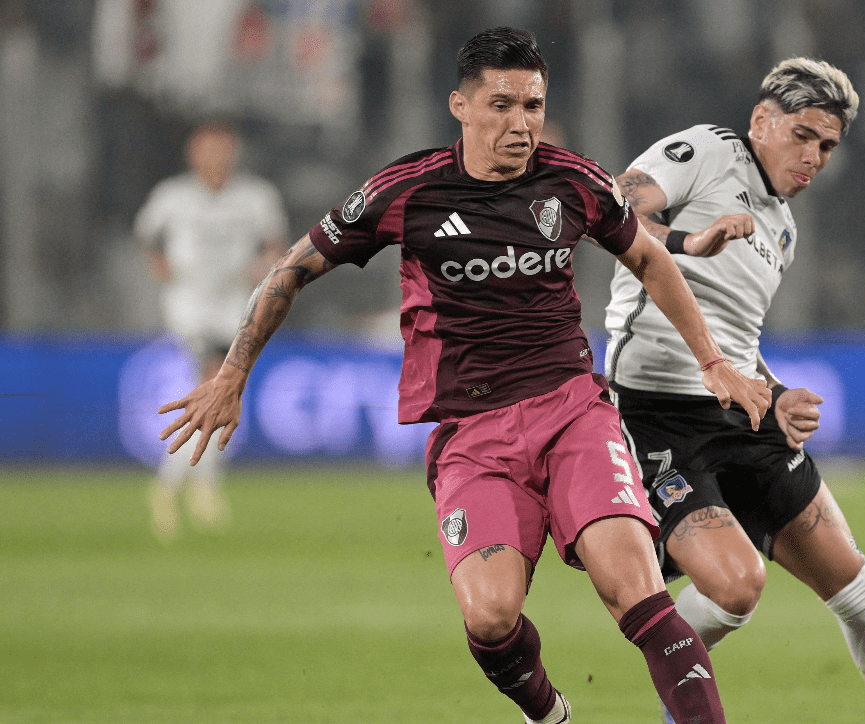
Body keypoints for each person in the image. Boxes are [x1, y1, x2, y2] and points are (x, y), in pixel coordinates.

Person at [158, 27, 770, 724]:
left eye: (533, 105)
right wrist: (233, 373)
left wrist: (713, 361)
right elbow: (292, 268)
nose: (522, 123)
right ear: (461, 106)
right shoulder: (409, 190)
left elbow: (652, 260)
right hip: (474, 433)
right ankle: (550, 713)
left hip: (573, 410)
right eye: (503, 105)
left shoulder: (575, 181)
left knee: (632, 585)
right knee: (490, 615)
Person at [604, 58, 865, 724]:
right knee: (737, 588)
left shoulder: (783, 228)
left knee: (861, 589)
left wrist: (776, 388)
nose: (814, 156)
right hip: (656, 414)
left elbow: (737, 334)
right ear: (762, 120)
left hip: (738, 408)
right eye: (803, 135)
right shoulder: (707, 150)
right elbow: (612, 212)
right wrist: (692, 240)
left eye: (827, 146)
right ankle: (673, 660)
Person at [135, 120, 288, 540]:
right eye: (209, 149)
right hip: (191, 305)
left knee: (221, 391)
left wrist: (264, 269)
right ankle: (185, 488)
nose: (217, 158)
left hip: (234, 305)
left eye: (223, 149)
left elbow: (275, 244)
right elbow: (148, 236)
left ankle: (187, 485)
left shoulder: (256, 197)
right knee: (215, 381)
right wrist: (163, 268)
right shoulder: (173, 196)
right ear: (193, 154)